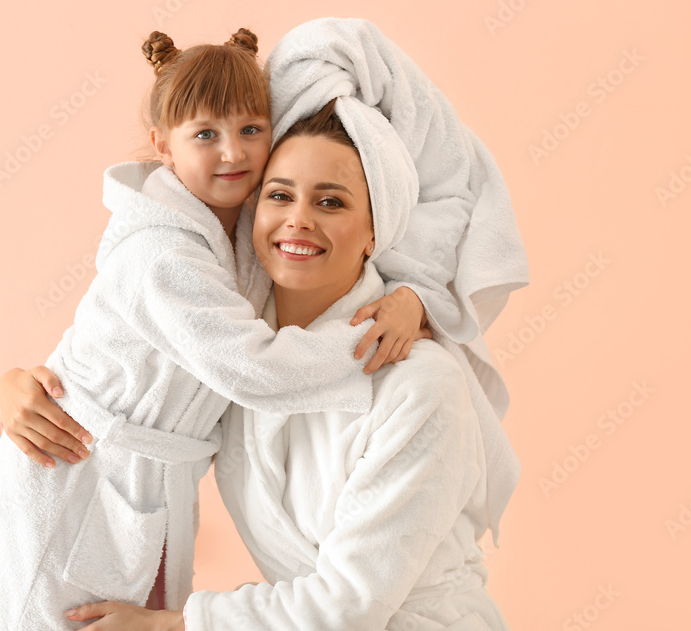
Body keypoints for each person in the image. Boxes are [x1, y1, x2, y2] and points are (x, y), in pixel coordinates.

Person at [0, 29, 430, 631]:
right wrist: (372, 338)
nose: (233, 153)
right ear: (161, 145)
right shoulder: (159, 254)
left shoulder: (246, 225)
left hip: (150, 480)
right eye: (205, 135)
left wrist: (412, 298)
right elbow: (253, 367)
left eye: (251, 129)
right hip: (77, 468)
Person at [58, 99, 513, 629]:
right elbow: (128, 397)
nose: (299, 219)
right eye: (279, 195)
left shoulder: (420, 384)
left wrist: (168, 625)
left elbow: (350, 602)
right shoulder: (239, 362)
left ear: (375, 235)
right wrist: (28, 391)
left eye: (331, 202)